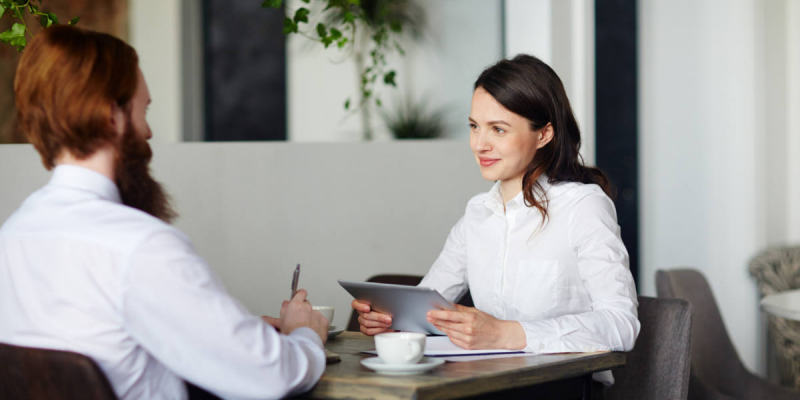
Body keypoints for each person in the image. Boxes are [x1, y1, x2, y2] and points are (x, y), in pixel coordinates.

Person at [0, 26, 328, 400]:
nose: (149, 131)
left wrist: (228, 330)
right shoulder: (140, 246)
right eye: (145, 111)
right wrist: (305, 333)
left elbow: (93, 335)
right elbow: (271, 377)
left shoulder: (12, 235)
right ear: (112, 116)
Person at [352, 54, 640, 386]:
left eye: (498, 129)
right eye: (474, 126)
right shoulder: (477, 212)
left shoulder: (582, 206)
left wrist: (505, 333)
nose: (479, 144)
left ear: (544, 134)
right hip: (484, 384)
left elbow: (622, 324)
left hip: (561, 389)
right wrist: (393, 321)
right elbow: (426, 306)